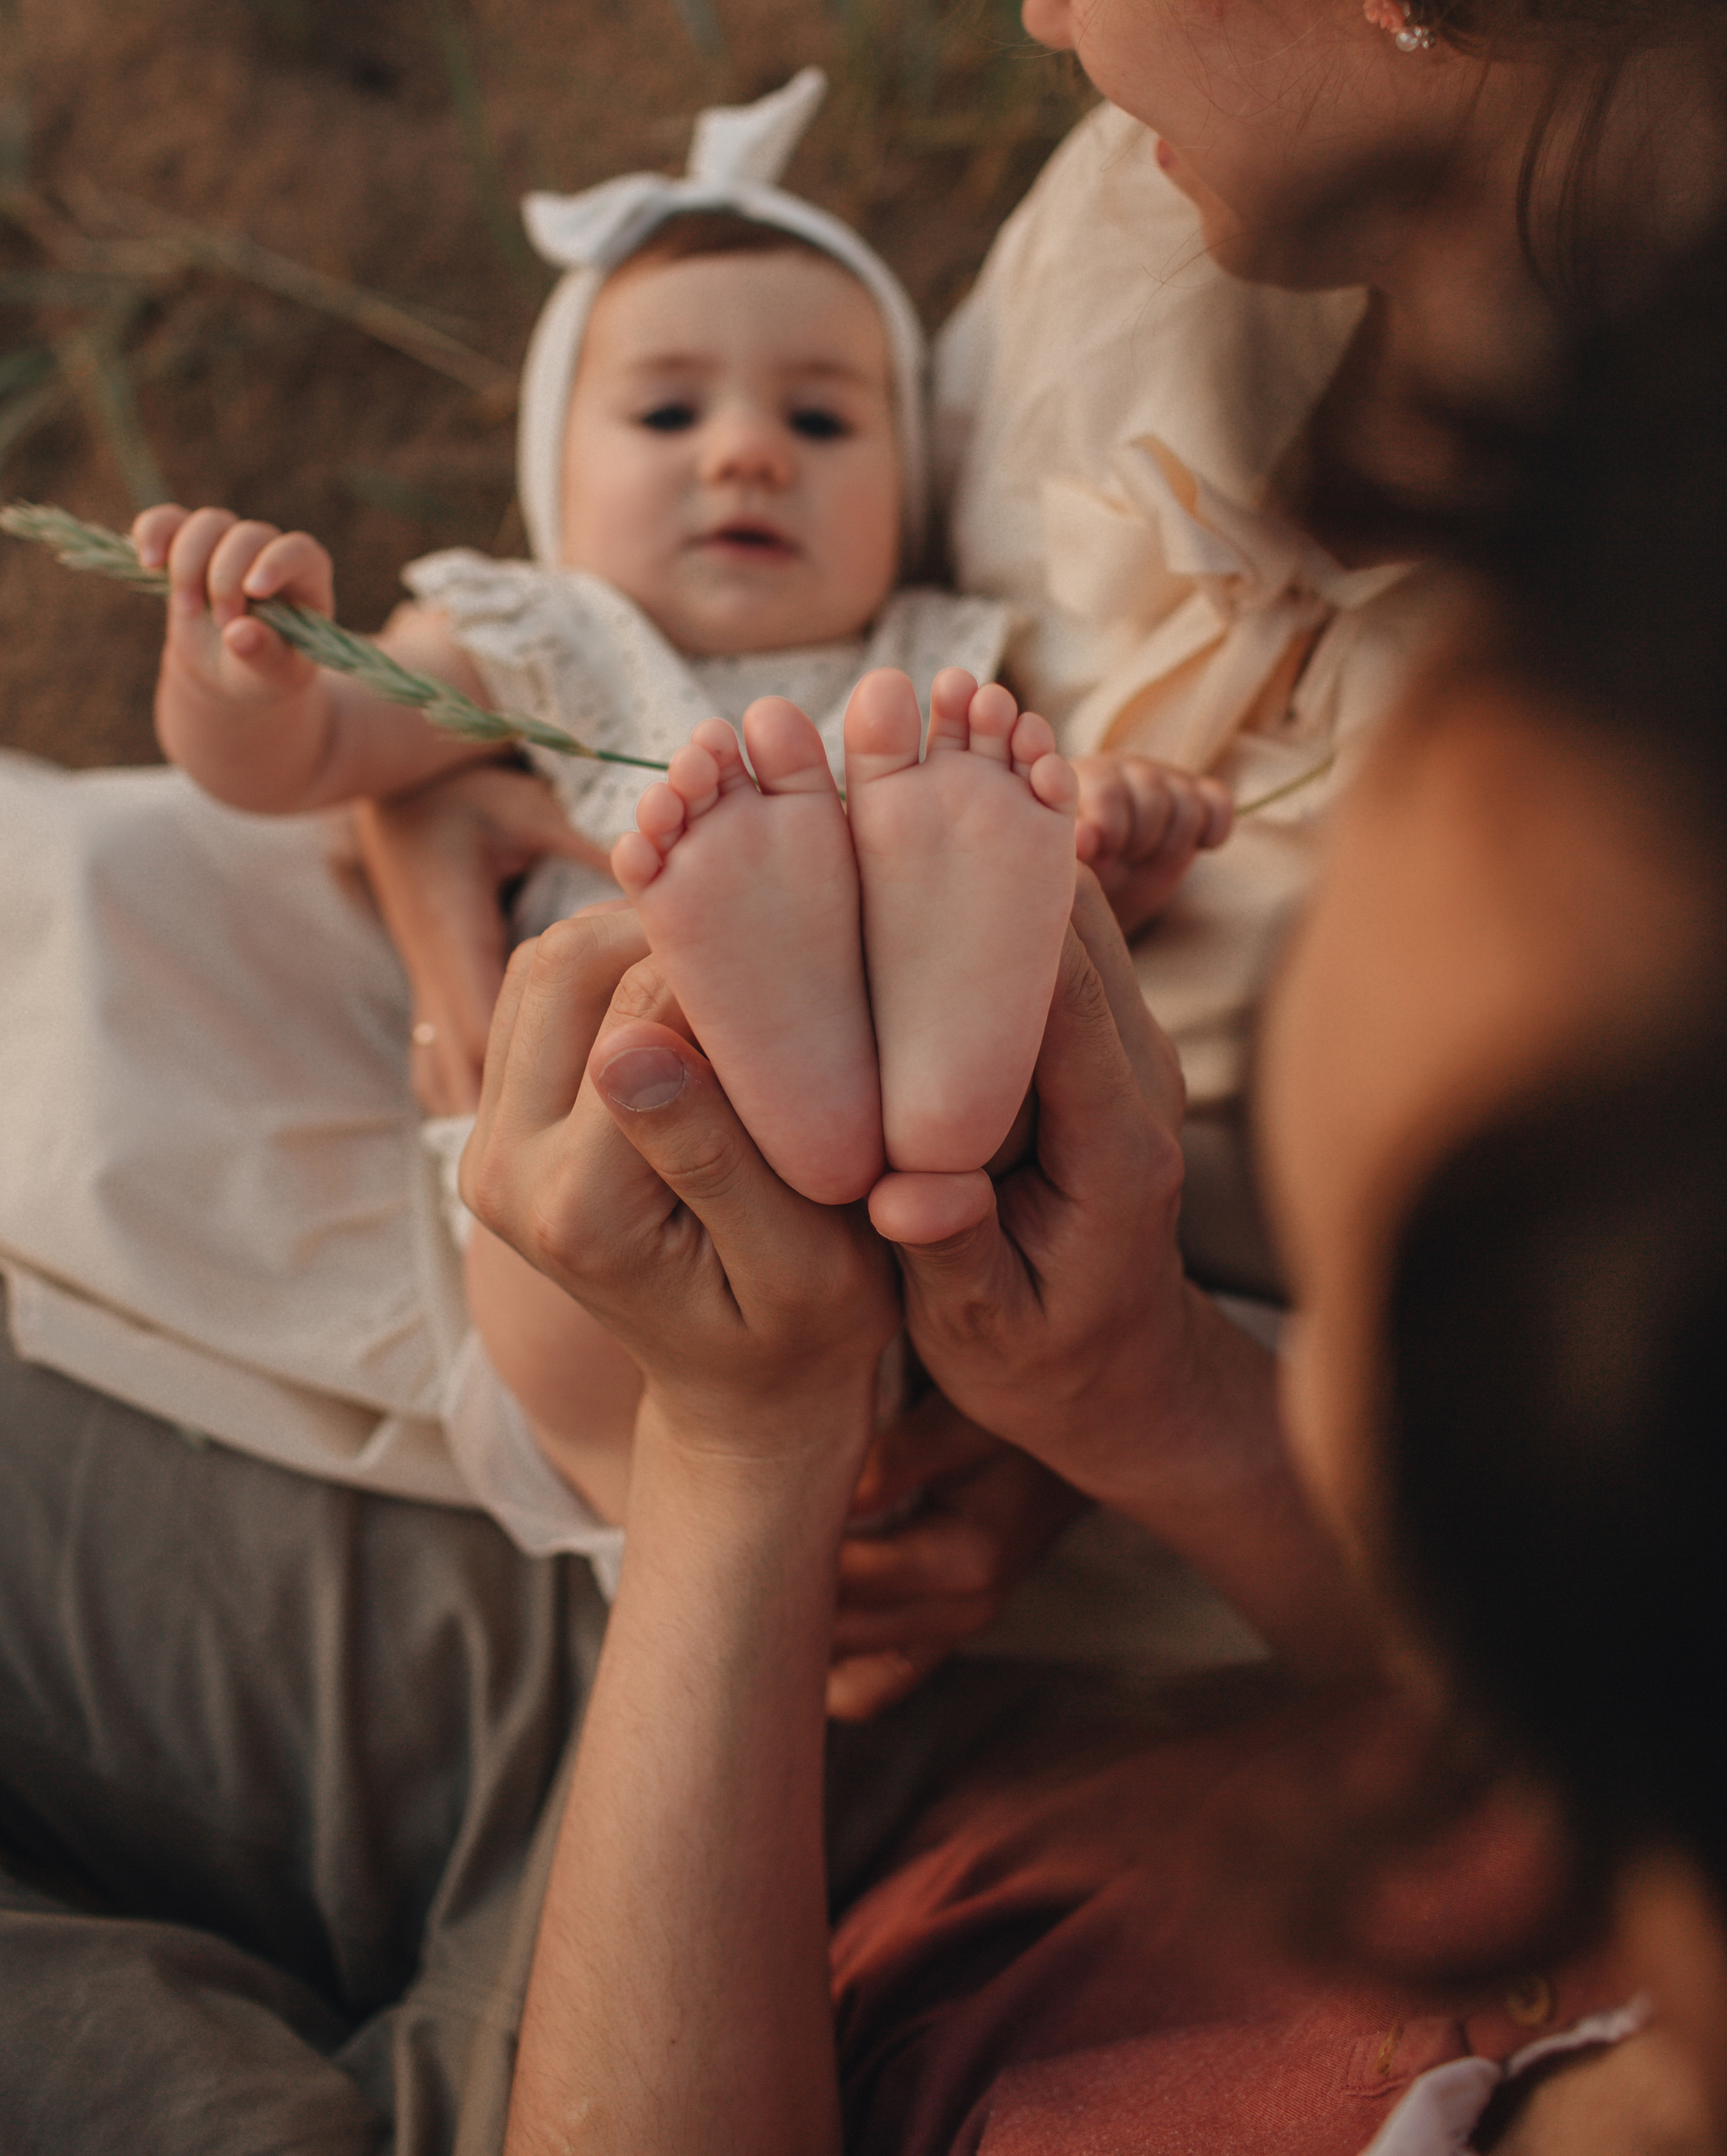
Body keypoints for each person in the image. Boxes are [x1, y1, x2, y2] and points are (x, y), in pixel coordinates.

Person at [7, 0, 1727, 2138]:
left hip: (813, 1717)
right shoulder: (1212, 239)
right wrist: (450, 849)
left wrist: (799, 1465)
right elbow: (638, 669)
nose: (1037, 0)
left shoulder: (1581, 863)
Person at [457, 244, 1727, 2156]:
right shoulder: (1634, 1789)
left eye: (1355, 1299)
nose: (1296, 1375)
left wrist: (733, 1459)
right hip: (927, 1798)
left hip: (641, 1920)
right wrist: (1136, 1385)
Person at [127, 63, 1223, 1527]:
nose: (747, 450)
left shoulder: (933, 672)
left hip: (913, 1245)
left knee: (1002, 982)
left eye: (824, 425)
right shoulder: (544, 636)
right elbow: (306, 760)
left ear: (905, 489)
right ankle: (790, 1066)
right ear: (555, 473)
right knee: (570, 1216)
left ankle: (879, 1058)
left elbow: (1081, 913)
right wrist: (246, 676)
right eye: (663, 414)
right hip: (611, 1191)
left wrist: (1098, 855)